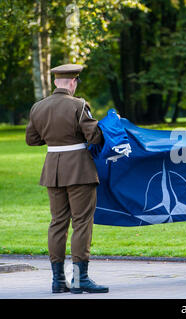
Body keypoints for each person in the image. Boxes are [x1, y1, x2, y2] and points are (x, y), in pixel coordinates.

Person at [26, 64, 109, 293]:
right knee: (81, 222)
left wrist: (54, 139)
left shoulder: (38, 107)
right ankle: (81, 280)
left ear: (55, 82)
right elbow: (94, 137)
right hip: (79, 170)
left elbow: (32, 140)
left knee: (57, 223)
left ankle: (58, 280)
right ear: (73, 82)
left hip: (53, 169)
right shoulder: (79, 105)